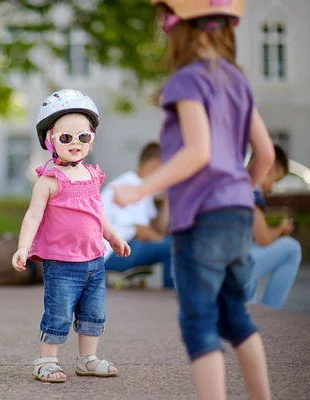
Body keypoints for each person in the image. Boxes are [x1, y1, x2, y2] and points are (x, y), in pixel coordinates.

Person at [113, 1, 276, 399]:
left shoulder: (186, 80)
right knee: (237, 316)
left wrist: (140, 190)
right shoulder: (237, 80)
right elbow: (267, 154)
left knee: (199, 321)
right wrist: (241, 193)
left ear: (175, 25)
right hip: (237, 214)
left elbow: (198, 151)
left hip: (201, 219)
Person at [11, 89, 131, 383]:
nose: (75, 144)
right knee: (59, 314)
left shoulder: (91, 175)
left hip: (94, 260)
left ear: (92, 138)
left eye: (83, 137)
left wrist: (113, 236)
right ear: (50, 139)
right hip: (62, 264)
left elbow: (97, 213)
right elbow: (33, 216)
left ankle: (87, 359)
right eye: (66, 138)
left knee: (93, 314)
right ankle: (46, 359)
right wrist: (23, 246)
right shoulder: (48, 180)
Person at [101, 142, 174, 288]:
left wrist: (168, 198)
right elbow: (143, 232)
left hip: (121, 248)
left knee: (170, 244)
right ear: (154, 166)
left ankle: (171, 291)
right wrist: (166, 242)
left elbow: (158, 229)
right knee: (173, 247)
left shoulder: (142, 189)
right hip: (108, 254)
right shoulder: (131, 183)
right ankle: (170, 296)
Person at [247, 144, 301, 309]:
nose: (271, 189)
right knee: (292, 248)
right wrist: (282, 228)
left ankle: (247, 309)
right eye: (275, 181)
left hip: (201, 267)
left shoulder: (233, 180)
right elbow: (263, 239)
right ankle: (269, 314)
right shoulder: (250, 185)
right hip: (223, 270)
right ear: (270, 168)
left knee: (250, 247)